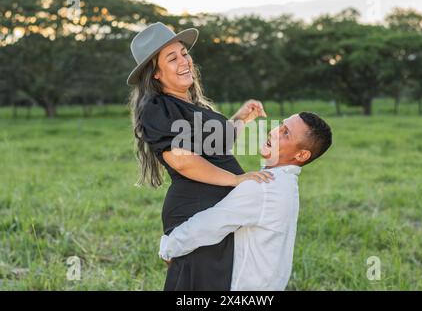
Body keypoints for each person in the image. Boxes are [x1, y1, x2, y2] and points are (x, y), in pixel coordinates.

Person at [127, 22, 273, 290]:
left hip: (219, 211)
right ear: (156, 73)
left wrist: (241, 118)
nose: (185, 61)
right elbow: (182, 159)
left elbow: (216, 144)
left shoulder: (189, 104)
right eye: (172, 58)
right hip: (195, 211)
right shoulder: (157, 107)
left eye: (184, 53)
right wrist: (236, 180)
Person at [159, 112, 332, 290]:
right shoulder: (285, 184)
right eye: (280, 125)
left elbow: (209, 224)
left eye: (285, 133)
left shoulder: (263, 186)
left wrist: (169, 248)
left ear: (301, 155)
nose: (273, 132)